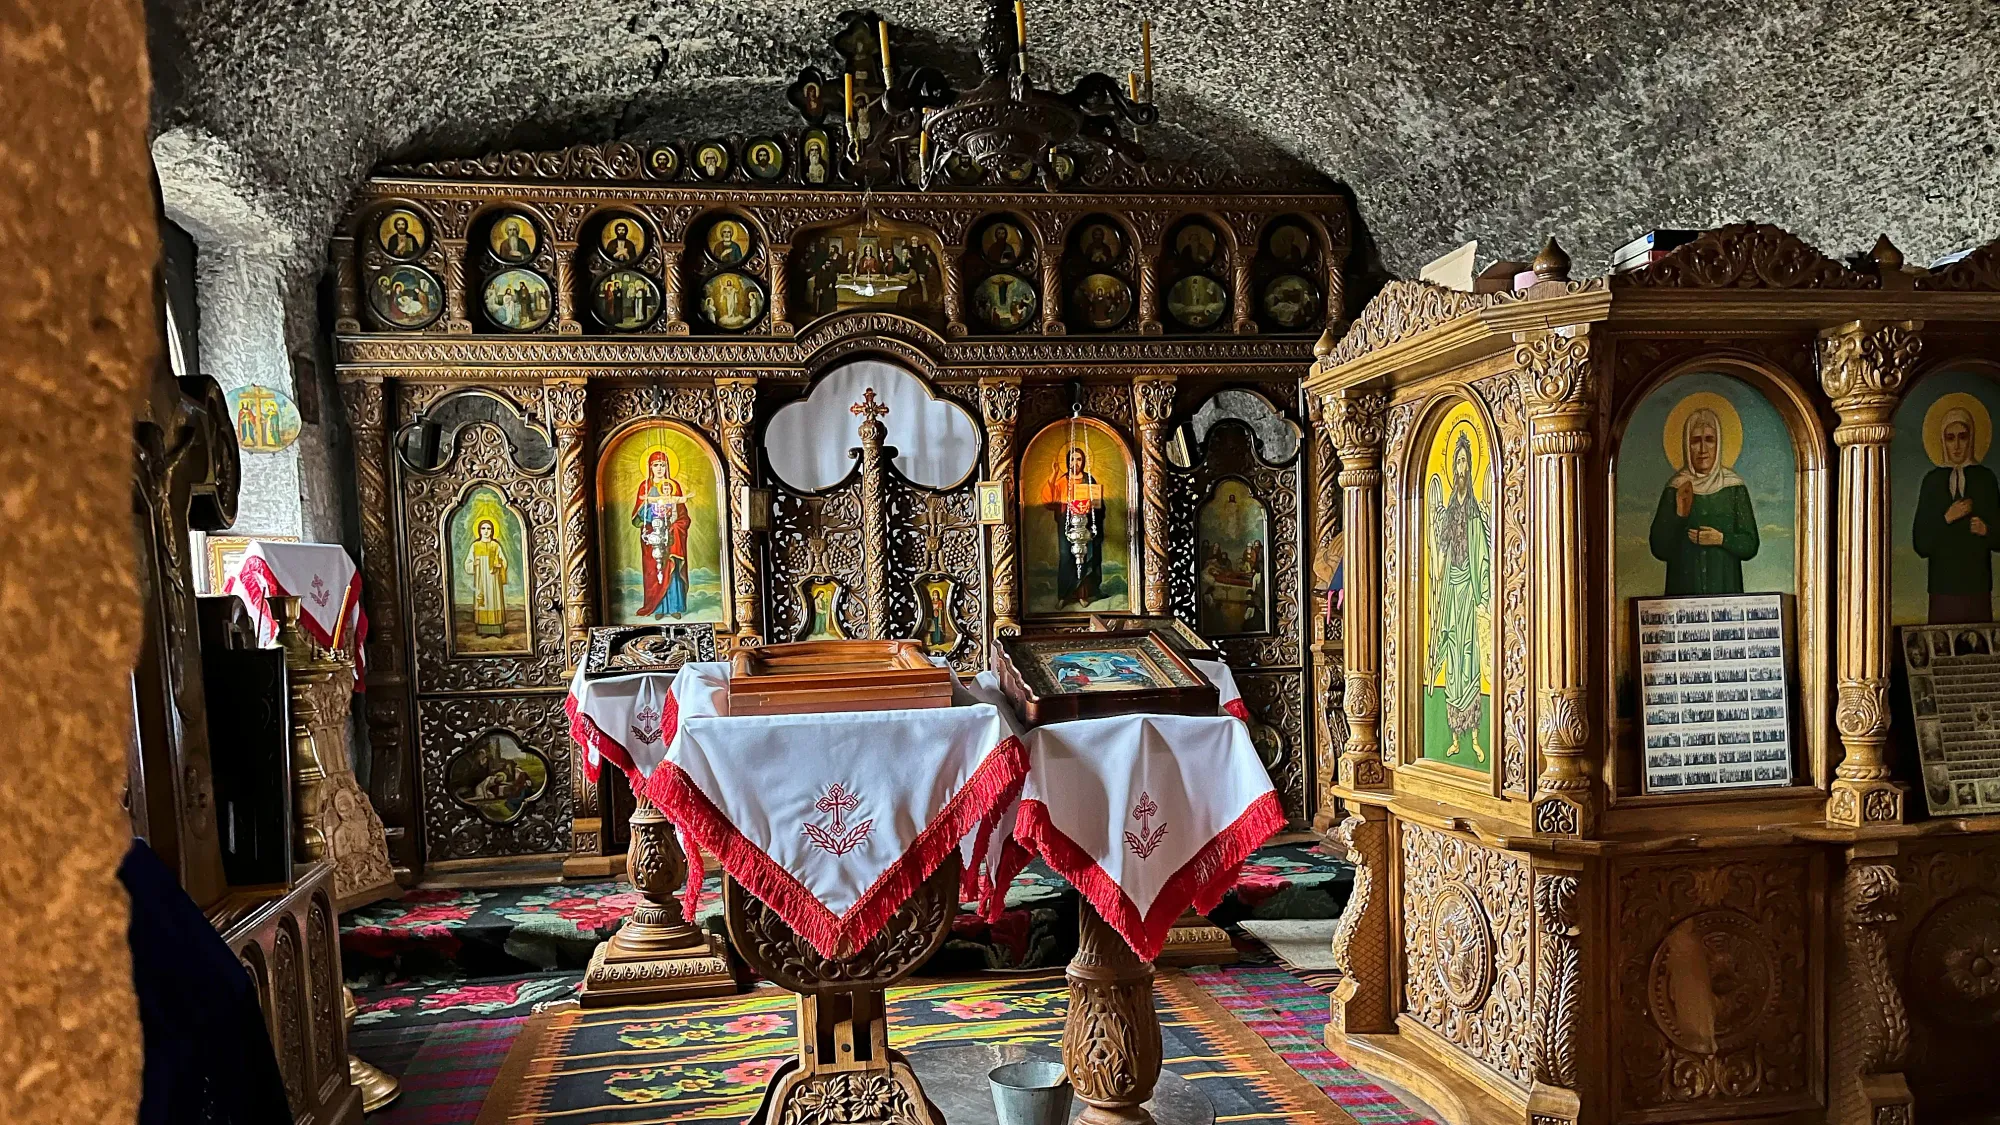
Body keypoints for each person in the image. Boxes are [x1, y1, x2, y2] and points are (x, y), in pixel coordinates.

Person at [1426, 431, 1491, 761]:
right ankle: (1454, 736)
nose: (1462, 467)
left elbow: (1483, 554)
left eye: (1466, 461)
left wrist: (1484, 594)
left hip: (1471, 589)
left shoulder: (1477, 513)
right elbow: (1439, 558)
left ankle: (1477, 737)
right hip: (1452, 589)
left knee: (1471, 656)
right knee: (1453, 657)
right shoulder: (1449, 513)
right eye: (1459, 461)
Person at [1648, 406, 1759, 595]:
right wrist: (1679, 515)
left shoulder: (1734, 487)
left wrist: (1722, 539)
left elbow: (1750, 545)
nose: (1702, 449)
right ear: (1686, 444)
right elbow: (1659, 549)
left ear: (1719, 443)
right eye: (1695, 441)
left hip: (1726, 592)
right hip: (1683, 594)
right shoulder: (1676, 487)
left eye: (1709, 439)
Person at [1913, 403, 2000, 622]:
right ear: (1942, 440)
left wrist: (1986, 530)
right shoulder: (1932, 482)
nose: (1957, 445)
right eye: (1950, 438)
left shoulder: (1985, 479)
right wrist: (1946, 518)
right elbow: (1921, 543)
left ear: (1972, 439)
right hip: (1943, 586)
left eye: (1963, 437)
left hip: (1977, 586)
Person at [1042, 444, 1104, 606]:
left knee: (1086, 556)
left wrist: (1091, 506)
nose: (1075, 463)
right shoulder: (1063, 480)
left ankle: (1082, 595)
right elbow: (1049, 500)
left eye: (1079, 459)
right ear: (1067, 462)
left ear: (1083, 462)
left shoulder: (1088, 479)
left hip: (1087, 523)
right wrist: (1054, 474)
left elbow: (1098, 502)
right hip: (1067, 524)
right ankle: (1064, 595)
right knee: (1066, 556)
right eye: (1072, 459)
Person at [631, 450, 691, 619]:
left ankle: (675, 607)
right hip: (652, 535)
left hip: (672, 534)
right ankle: (658, 607)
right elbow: (638, 515)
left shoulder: (673, 486)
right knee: (654, 570)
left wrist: (675, 526)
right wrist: (650, 511)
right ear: (650, 467)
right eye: (656, 465)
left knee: (672, 568)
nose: (659, 469)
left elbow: (683, 515)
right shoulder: (645, 487)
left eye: (662, 465)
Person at [466, 518, 509, 637]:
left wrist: (499, 565)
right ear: (479, 530)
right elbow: (468, 563)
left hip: (494, 579)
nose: (486, 531)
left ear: (492, 530)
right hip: (481, 580)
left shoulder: (495, 545)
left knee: (495, 601)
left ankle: (497, 629)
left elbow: (504, 561)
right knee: (483, 601)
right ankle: (484, 630)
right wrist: (474, 563)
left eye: (488, 528)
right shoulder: (475, 546)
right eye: (483, 528)